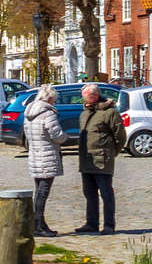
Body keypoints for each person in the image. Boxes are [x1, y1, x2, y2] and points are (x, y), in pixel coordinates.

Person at [75, 83, 126, 235]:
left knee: (106, 194)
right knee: (89, 193)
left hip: (102, 160)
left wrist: (112, 152)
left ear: (94, 96)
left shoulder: (109, 112)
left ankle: (109, 225)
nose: (82, 98)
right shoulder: (85, 112)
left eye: (85, 95)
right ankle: (91, 223)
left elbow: (120, 135)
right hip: (87, 160)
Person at [24, 83, 66, 236]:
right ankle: (37, 225)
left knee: (39, 191)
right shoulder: (48, 114)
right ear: (49, 99)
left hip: (35, 155)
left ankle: (40, 223)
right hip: (47, 156)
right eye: (53, 100)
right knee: (43, 192)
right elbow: (57, 135)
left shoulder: (28, 113)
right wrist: (65, 137)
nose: (54, 102)